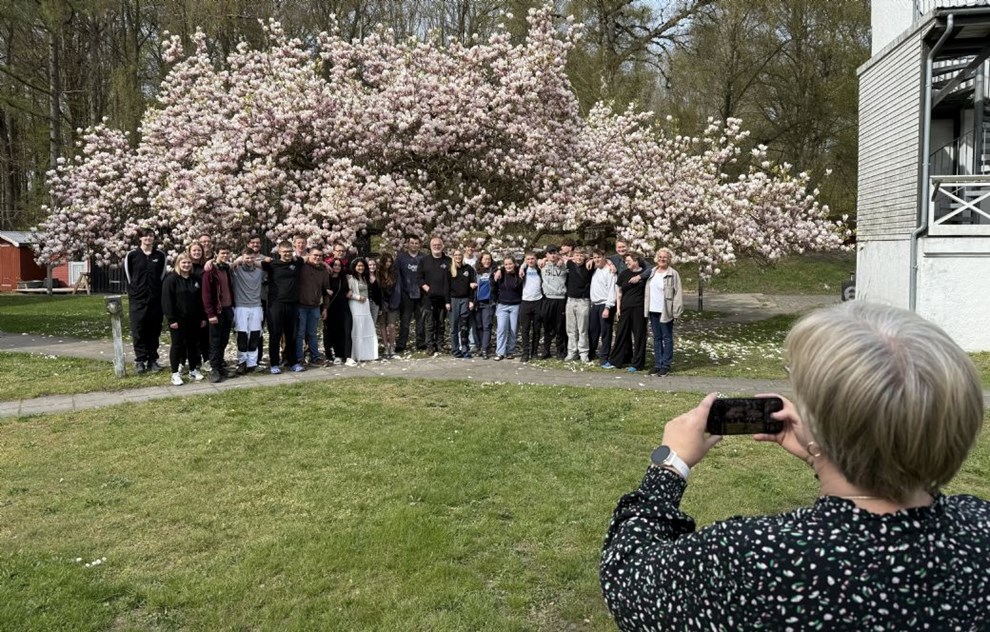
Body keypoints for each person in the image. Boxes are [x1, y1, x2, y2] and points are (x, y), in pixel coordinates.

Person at [600, 301, 989, 630]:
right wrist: (824, 457)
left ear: (818, 419)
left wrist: (670, 466)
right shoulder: (979, 528)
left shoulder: (754, 558)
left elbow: (627, 580)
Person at [124, 227, 167, 373]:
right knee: (139, 329)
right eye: (145, 236)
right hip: (138, 300)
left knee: (154, 330)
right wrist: (136, 292)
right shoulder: (132, 255)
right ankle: (140, 360)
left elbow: (162, 275)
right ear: (140, 238)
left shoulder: (160, 255)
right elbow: (129, 276)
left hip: (155, 300)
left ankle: (153, 360)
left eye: (150, 236)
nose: (148, 238)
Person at [161, 253, 206, 385]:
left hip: (194, 319)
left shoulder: (195, 279)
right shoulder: (171, 280)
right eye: (183, 263)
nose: (186, 265)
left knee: (192, 345)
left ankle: (193, 370)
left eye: (188, 263)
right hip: (178, 320)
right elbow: (166, 301)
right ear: (178, 264)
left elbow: (200, 300)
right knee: (177, 345)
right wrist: (171, 319)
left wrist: (203, 317)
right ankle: (175, 373)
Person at [262, 241, 300, 374]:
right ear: (279, 252)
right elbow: (249, 260)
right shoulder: (271, 265)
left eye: (290, 251)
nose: (288, 254)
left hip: (293, 304)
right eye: (285, 251)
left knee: (292, 335)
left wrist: (325, 264)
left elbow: (310, 258)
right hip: (276, 305)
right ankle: (274, 364)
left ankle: (293, 362)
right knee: (275, 335)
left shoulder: (297, 263)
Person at [644, 248, 683, 376]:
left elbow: (678, 294)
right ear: (656, 258)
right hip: (653, 309)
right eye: (660, 257)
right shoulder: (652, 272)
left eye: (665, 257)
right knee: (656, 338)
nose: (662, 259)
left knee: (667, 337)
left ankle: (665, 364)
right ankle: (657, 363)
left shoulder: (673, 274)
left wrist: (676, 312)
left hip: (666, 310)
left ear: (669, 259)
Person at [607, 253, 647, 372]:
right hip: (625, 308)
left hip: (639, 308)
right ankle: (616, 360)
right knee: (621, 333)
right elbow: (619, 292)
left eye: (628, 260)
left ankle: (637, 363)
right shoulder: (624, 274)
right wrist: (618, 308)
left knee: (639, 336)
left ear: (636, 260)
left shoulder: (644, 274)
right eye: (625, 261)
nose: (626, 263)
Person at [201, 245, 235, 382]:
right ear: (216, 254)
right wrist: (210, 314)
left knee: (224, 340)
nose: (225, 255)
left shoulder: (227, 269)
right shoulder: (210, 272)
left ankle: (220, 365)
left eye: (227, 253)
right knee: (215, 341)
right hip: (217, 312)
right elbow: (206, 295)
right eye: (222, 253)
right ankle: (214, 369)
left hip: (228, 310)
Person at [294, 246, 330, 371]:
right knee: (299, 334)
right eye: (315, 255)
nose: (317, 257)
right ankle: (299, 358)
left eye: (320, 256)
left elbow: (326, 291)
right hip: (300, 306)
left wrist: (325, 308)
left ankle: (315, 358)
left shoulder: (324, 271)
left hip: (315, 307)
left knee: (312, 334)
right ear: (309, 255)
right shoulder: (302, 267)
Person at [230, 248, 264, 375]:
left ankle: (252, 363)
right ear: (242, 258)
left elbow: (269, 265)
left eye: (252, 258)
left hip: (256, 306)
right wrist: (237, 260)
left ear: (255, 258)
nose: (249, 260)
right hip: (241, 307)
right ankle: (242, 362)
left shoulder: (260, 271)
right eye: (246, 258)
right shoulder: (236, 270)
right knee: (242, 336)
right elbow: (228, 266)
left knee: (255, 335)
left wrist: (257, 262)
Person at [418, 236, 451, 354]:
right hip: (429, 297)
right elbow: (419, 278)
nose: (437, 247)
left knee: (441, 323)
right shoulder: (423, 260)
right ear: (431, 247)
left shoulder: (448, 261)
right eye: (434, 245)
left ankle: (440, 344)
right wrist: (427, 288)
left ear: (442, 246)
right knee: (430, 323)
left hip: (443, 297)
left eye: (439, 245)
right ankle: (430, 346)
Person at [395, 234, 426, 352]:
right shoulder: (401, 258)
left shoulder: (424, 258)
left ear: (419, 245)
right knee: (405, 320)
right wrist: (402, 291)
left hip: (421, 294)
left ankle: (420, 342)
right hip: (406, 294)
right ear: (407, 244)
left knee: (420, 320)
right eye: (412, 243)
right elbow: (397, 276)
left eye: (416, 243)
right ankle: (401, 343)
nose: (414, 245)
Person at [346, 258, 378, 364]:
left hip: (365, 305)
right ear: (354, 267)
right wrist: (358, 297)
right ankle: (357, 354)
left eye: (363, 266)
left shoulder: (365, 278)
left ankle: (367, 354)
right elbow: (348, 294)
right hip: (356, 305)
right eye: (359, 266)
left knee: (366, 328)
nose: (361, 268)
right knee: (357, 328)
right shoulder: (351, 279)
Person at [538, 245, 568, 360]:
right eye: (550, 253)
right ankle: (546, 350)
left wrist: (561, 260)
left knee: (559, 327)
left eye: (555, 253)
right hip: (547, 299)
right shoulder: (542, 265)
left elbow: (579, 258)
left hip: (560, 299)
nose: (552, 255)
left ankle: (560, 351)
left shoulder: (564, 265)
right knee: (547, 326)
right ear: (546, 254)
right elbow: (527, 261)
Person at [563, 246, 593, 363]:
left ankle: (583, 353)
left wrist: (590, 259)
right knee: (571, 329)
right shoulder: (570, 263)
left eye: (581, 255)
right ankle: (572, 352)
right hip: (570, 300)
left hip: (583, 301)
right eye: (577, 255)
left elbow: (606, 260)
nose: (579, 257)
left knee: (583, 329)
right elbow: (559, 257)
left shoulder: (589, 265)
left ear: (584, 256)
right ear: (573, 256)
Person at [589, 248, 617, 367]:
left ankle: (604, 358)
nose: (597, 260)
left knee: (605, 332)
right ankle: (591, 354)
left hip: (605, 304)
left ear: (604, 257)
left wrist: (608, 307)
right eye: (595, 257)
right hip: (595, 304)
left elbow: (612, 290)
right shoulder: (596, 269)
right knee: (593, 331)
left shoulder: (610, 271)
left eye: (599, 257)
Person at [447, 249, 477, 358]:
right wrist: (447, 302)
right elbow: (446, 287)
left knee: (464, 326)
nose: (458, 257)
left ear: (462, 256)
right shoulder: (450, 270)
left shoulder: (468, 269)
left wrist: (471, 300)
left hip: (465, 300)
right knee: (454, 327)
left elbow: (473, 286)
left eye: (460, 255)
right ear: (453, 257)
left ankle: (465, 349)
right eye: (456, 255)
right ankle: (455, 349)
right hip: (453, 300)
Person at [493, 256, 522, 361]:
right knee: (501, 329)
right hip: (502, 305)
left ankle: (510, 351)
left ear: (514, 264)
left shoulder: (519, 273)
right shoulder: (500, 274)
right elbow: (492, 273)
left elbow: (525, 264)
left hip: (515, 305)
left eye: (510, 264)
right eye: (506, 264)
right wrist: (499, 270)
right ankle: (500, 352)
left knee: (513, 330)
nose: (508, 266)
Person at [323, 258, 351, 365]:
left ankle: (341, 354)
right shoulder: (327, 278)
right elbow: (321, 288)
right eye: (335, 265)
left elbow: (348, 289)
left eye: (339, 265)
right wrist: (325, 290)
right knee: (330, 332)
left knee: (342, 331)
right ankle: (330, 354)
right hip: (330, 308)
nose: (337, 267)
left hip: (342, 307)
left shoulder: (343, 278)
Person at [517, 252, 543, 362]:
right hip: (525, 301)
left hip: (538, 301)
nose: (531, 261)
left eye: (532, 258)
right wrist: (522, 267)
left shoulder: (540, 269)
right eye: (528, 259)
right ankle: (525, 353)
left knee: (537, 329)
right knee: (525, 329)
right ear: (525, 260)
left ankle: (534, 352)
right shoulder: (522, 270)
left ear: (536, 259)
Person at [376, 252, 401, 359]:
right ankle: (385, 346)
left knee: (391, 325)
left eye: (390, 261)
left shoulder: (394, 273)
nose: (388, 263)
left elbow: (397, 288)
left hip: (392, 301)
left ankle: (392, 346)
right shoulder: (378, 273)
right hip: (381, 302)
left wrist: (394, 302)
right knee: (382, 325)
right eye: (386, 261)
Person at [473, 252, 497, 359]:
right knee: (479, 326)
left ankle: (484, 349)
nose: (487, 261)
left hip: (489, 302)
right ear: (481, 260)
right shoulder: (475, 271)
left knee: (487, 326)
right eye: (485, 259)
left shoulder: (494, 270)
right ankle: (481, 346)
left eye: (489, 259)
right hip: (477, 302)